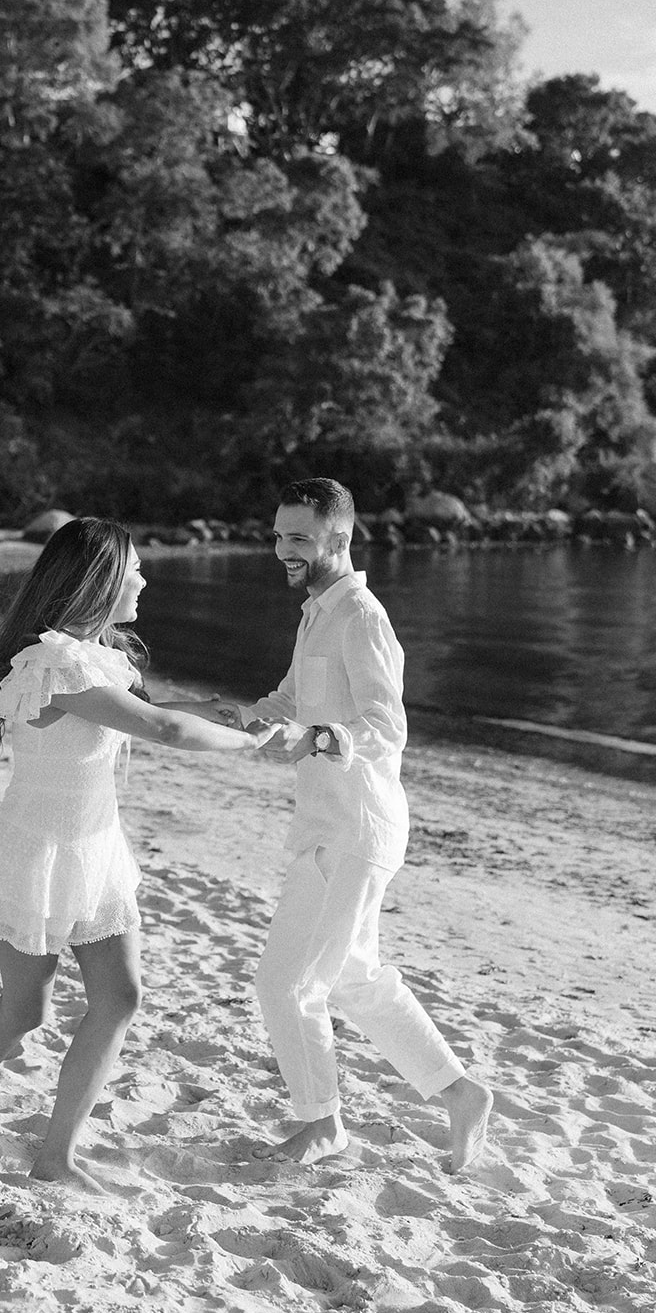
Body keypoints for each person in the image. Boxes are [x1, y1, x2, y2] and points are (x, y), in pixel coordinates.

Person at [0, 516, 276, 1193]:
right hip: (38, 854)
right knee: (25, 1010)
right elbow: (154, 726)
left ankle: (54, 1155)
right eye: (136, 569)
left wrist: (209, 704)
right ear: (98, 582)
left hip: (95, 851)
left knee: (120, 997)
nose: (145, 579)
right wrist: (247, 746)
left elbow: (134, 709)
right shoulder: (52, 663)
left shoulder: (95, 660)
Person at [224, 478, 492, 1174]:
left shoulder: (362, 617)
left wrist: (313, 737)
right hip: (324, 822)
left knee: (288, 985)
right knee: (352, 977)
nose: (283, 549)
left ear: (337, 539)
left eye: (298, 538)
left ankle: (322, 1126)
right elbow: (294, 695)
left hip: (359, 826)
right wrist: (249, 716)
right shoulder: (317, 611)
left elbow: (383, 726)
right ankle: (460, 1095)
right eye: (278, 535)